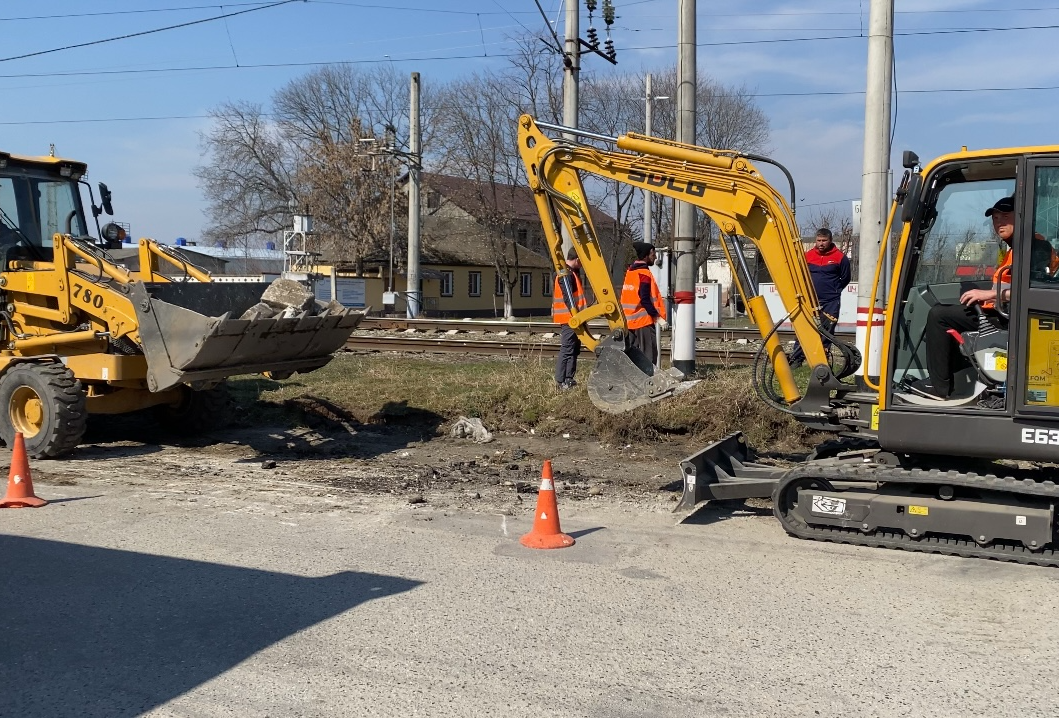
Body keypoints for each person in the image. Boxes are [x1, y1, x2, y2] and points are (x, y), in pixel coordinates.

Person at [913, 196, 1059, 401]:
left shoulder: (1036, 248)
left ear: (1022, 217)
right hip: (1005, 311)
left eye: (1005, 217)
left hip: (1013, 318)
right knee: (950, 318)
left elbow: (1031, 290)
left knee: (939, 316)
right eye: (995, 218)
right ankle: (951, 379)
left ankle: (939, 388)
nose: (999, 222)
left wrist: (988, 295)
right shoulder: (1017, 248)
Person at [788, 228, 852, 369]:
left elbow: (845, 278)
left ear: (830, 241)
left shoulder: (840, 258)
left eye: (824, 241)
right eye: (818, 240)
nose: (821, 243)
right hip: (809, 299)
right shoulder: (807, 256)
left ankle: (822, 363)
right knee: (804, 328)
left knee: (826, 331)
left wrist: (835, 291)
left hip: (830, 301)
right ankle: (797, 359)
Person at [621, 241, 668, 365]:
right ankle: (649, 380)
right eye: (653, 254)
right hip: (643, 320)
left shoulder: (630, 272)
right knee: (649, 354)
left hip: (629, 321)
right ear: (646, 256)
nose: (656, 257)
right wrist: (657, 317)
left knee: (631, 355)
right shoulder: (644, 274)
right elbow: (645, 299)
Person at [552, 246, 587, 390]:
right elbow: (568, 298)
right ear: (577, 259)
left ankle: (568, 379)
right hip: (570, 318)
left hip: (574, 317)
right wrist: (575, 315)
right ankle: (561, 381)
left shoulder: (570, 272)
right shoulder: (565, 274)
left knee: (573, 349)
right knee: (568, 349)